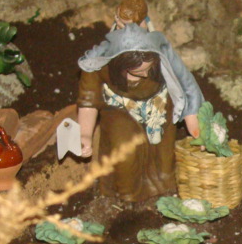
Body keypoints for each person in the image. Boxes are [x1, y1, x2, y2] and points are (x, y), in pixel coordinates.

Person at [77, 23, 204, 202]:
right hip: (119, 110)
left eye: (148, 69)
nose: (145, 75)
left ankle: (163, 192)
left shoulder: (160, 57)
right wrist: (84, 134)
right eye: (137, 72)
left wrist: (193, 120)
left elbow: (186, 83)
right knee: (125, 153)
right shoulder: (98, 67)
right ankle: (128, 196)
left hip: (159, 107)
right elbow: (88, 102)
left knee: (164, 159)